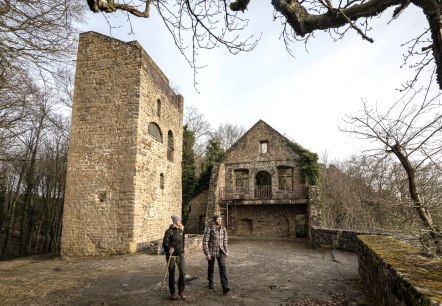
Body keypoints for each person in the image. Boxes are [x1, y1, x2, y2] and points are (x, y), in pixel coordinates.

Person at [203, 215, 230, 294]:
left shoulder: (223, 229)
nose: (220, 221)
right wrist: (207, 253)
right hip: (211, 251)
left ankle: (225, 286)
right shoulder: (209, 228)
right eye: (218, 219)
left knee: (222, 267)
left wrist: (226, 251)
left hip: (221, 251)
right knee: (211, 267)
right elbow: (205, 241)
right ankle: (210, 282)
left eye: (220, 219)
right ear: (214, 220)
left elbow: (225, 240)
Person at [162, 214, 186, 300]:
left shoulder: (181, 230)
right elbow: (165, 243)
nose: (180, 222)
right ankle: (172, 292)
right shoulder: (169, 231)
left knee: (182, 272)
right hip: (171, 255)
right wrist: (169, 248)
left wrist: (182, 250)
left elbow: (182, 242)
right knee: (172, 273)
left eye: (180, 220)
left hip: (180, 254)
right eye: (178, 220)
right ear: (175, 221)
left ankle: (181, 290)